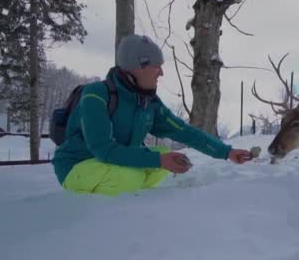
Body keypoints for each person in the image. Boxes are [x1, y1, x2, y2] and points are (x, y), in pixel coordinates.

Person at [51, 34, 253, 195]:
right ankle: (123, 204)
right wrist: (157, 161)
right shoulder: (96, 94)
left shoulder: (149, 103)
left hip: (114, 165)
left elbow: (185, 132)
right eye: (157, 67)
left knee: (166, 155)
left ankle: (132, 191)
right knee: (131, 177)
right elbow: (103, 150)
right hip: (78, 166)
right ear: (137, 66)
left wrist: (226, 152)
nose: (161, 74)